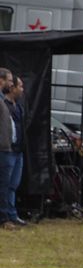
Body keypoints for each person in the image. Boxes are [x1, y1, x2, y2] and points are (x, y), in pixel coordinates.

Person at [3, 73, 26, 226]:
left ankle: (12, 213)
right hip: (8, 150)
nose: (22, 90)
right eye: (20, 86)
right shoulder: (4, 105)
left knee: (13, 184)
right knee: (5, 184)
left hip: (18, 150)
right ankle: (5, 214)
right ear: (13, 88)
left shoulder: (19, 107)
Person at [0, 68, 17, 230]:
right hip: (2, 149)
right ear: (1, 80)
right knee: (3, 185)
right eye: (9, 80)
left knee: (5, 184)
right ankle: (3, 218)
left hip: (6, 147)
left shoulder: (3, 100)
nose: (11, 84)